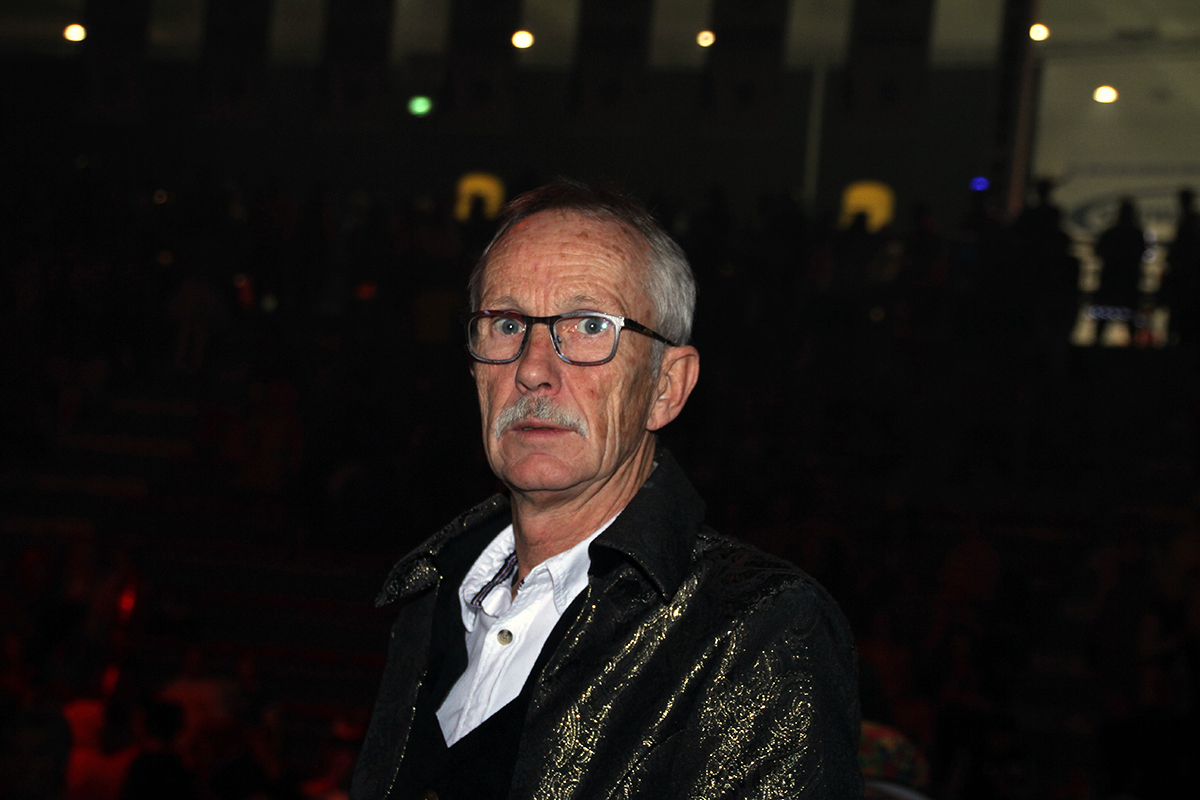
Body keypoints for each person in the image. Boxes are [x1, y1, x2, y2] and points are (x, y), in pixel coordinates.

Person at [350, 180, 862, 800]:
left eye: (590, 326)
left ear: (666, 386)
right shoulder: (430, 602)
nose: (532, 368)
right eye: (507, 324)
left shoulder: (755, 630)